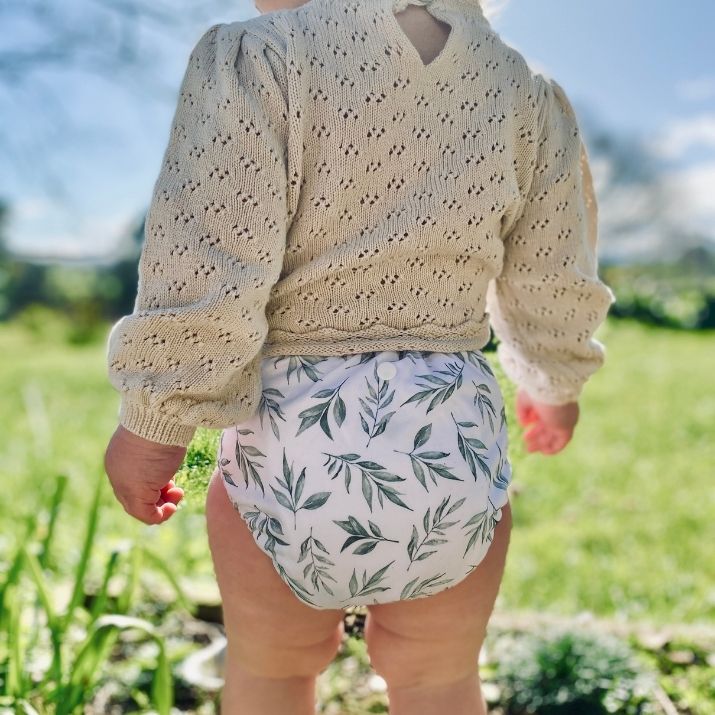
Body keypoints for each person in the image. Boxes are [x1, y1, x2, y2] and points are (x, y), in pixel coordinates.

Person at [103, 0, 617, 712]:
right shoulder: (523, 92)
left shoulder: (263, 57)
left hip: (289, 440)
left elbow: (210, 253)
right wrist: (553, 382)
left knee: (272, 670)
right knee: (439, 678)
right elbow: (552, 272)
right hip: (450, 443)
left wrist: (157, 419)